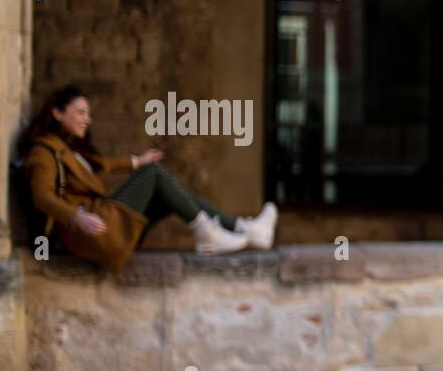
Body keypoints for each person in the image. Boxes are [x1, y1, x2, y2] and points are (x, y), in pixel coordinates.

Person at [18, 85, 277, 273]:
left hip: (101, 227)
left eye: (88, 114)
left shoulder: (67, 148)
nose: (88, 120)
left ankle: (245, 229)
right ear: (57, 113)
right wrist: (74, 216)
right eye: (81, 112)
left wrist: (135, 161)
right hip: (93, 231)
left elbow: (100, 166)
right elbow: (41, 196)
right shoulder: (43, 152)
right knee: (154, 176)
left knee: (170, 194)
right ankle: (208, 233)